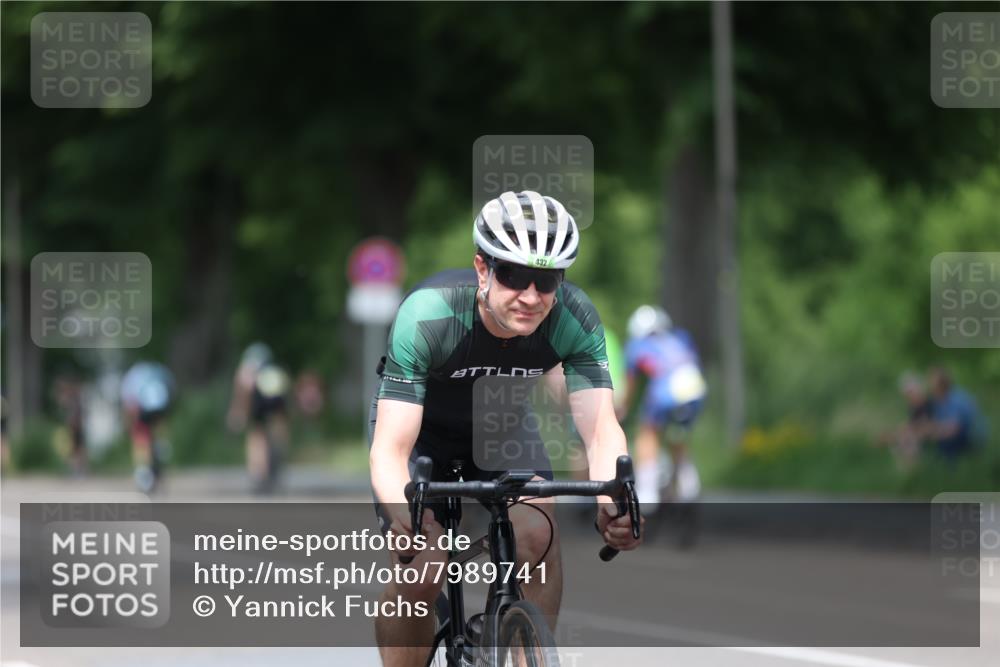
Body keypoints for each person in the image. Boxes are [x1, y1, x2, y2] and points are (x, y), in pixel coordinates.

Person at [368, 190, 642, 667]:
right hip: (421, 437)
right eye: (513, 275)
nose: (531, 296)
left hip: (502, 430)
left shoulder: (574, 318)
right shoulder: (429, 314)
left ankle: (526, 654)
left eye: (547, 280)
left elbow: (601, 429)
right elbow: (390, 450)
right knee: (422, 570)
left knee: (538, 533)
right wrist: (403, 515)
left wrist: (611, 501)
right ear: (483, 269)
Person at [619, 305, 707, 507]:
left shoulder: (637, 344)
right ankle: (688, 486)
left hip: (667, 390)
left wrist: (623, 407)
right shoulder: (680, 337)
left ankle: (647, 493)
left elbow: (630, 383)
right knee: (678, 436)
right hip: (695, 388)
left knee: (647, 433)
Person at [227, 342, 291, 493]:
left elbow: (243, 392)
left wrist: (238, 413)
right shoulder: (275, 370)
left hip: (259, 402)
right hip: (276, 401)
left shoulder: (246, 370)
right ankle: (278, 455)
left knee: (256, 434)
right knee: (278, 427)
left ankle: (258, 472)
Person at [121, 361, 176, 493]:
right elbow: (172, 390)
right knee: (158, 431)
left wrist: (128, 423)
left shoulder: (132, 377)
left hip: (144, 406)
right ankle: (161, 450)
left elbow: (129, 404)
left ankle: (143, 471)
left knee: (140, 436)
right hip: (162, 403)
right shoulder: (159, 372)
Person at [919, 367, 984, 463]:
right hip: (956, 433)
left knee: (945, 444)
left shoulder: (956, 398)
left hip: (972, 436)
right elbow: (936, 423)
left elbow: (954, 429)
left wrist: (931, 433)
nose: (930, 388)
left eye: (932, 385)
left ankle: (954, 468)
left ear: (942, 385)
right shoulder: (937, 401)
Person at [876, 372, 933, 470]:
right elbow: (913, 422)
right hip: (916, 432)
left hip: (926, 432)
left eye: (911, 392)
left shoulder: (927, 403)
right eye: (907, 393)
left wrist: (907, 429)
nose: (909, 396)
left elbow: (926, 422)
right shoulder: (912, 406)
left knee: (904, 439)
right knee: (886, 437)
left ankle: (911, 467)